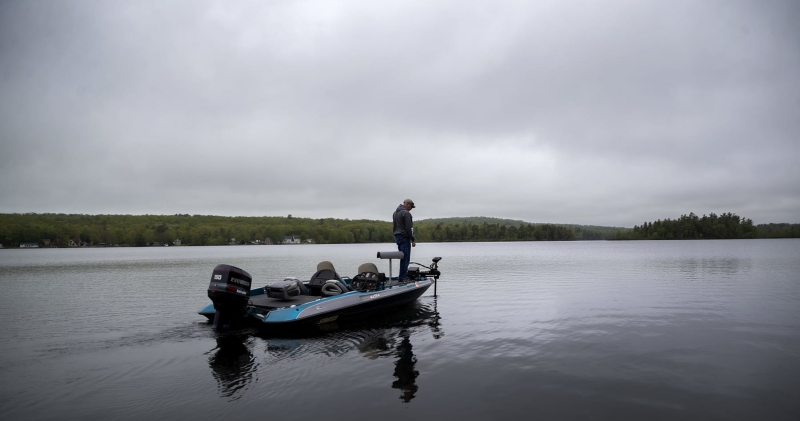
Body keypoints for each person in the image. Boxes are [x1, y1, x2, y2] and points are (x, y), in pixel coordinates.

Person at [393, 199, 416, 281]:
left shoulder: (395, 213)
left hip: (398, 237)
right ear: (409, 205)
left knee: (402, 258)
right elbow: (409, 228)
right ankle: (403, 278)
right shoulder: (406, 213)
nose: (411, 209)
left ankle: (402, 276)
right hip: (405, 238)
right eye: (411, 207)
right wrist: (413, 239)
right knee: (405, 259)